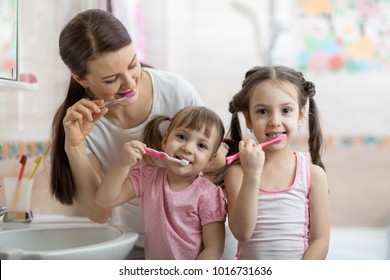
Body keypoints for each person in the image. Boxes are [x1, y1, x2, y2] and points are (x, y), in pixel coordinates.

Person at [49, 9, 203, 259]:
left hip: (197, 240)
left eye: (133, 65)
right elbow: (98, 213)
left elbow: (212, 167)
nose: (130, 84)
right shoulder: (80, 124)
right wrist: (74, 146)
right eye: (111, 80)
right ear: (80, 79)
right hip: (139, 244)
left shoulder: (176, 92)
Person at [223, 65, 330, 259]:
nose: (275, 121)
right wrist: (252, 174)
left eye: (286, 110)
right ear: (248, 119)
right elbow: (242, 232)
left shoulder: (313, 175)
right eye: (263, 111)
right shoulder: (237, 173)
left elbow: (321, 240)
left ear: (300, 116)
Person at [95, 106, 226, 260]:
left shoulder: (209, 195)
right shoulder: (147, 177)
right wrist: (123, 164)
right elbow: (104, 200)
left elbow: (214, 249)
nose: (188, 148)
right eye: (182, 137)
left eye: (201, 146)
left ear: (210, 159)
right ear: (165, 140)